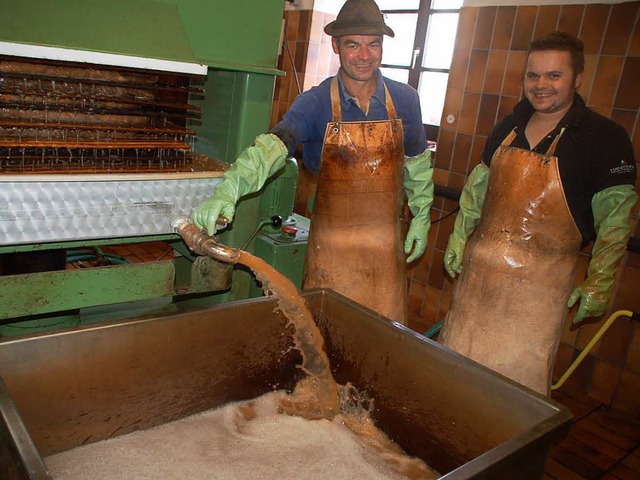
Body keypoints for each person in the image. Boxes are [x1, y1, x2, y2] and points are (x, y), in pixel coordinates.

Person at [192, 0, 434, 325]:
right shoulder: (315, 103)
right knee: (328, 338)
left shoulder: (406, 100)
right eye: (353, 45)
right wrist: (230, 188)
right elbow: (275, 146)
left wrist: (422, 214)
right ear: (336, 46)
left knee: (383, 344)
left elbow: (417, 164)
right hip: (332, 254)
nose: (365, 56)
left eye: (373, 44)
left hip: (385, 253)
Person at [440, 31, 637, 396]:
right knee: (453, 381)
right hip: (476, 284)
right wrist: (458, 235)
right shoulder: (507, 127)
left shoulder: (604, 138)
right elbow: (475, 192)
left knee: (512, 395)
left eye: (554, 75)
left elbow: (615, 222)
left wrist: (600, 280)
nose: (541, 85)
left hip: (537, 295)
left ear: (577, 78)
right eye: (533, 76)